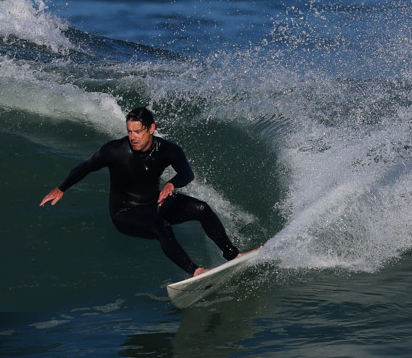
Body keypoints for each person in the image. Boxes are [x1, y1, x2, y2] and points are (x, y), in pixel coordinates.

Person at [40, 107, 257, 277]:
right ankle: (196, 271)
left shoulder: (167, 150)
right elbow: (85, 167)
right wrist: (61, 188)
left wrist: (172, 184)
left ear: (151, 129)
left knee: (201, 208)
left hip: (153, 205)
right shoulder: (115, 150)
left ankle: (232, 254)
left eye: (138, 131)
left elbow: (187, 173)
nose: (133, 136)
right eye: (129, 131)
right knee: (161, 227)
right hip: (125, 213)